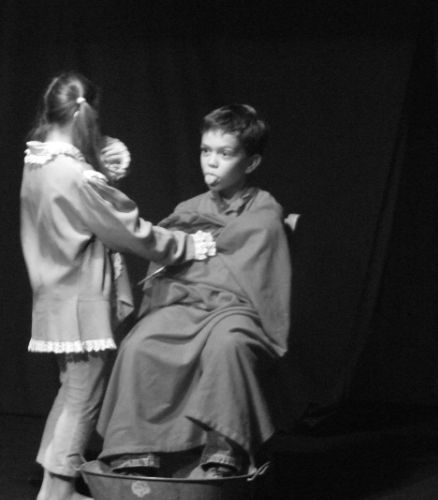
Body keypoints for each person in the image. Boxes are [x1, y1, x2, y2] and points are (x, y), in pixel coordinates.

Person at [20, 71, 215, 500]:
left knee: (73, 390)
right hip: (81, 301)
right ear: (84, 114)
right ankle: (58, 489)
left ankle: (52, 486)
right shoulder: (75, 175)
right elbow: (129, 230)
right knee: (83, 397)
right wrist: (187, 244)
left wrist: (100, 158)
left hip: (55, 295)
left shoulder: (38, 162)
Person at [96, 104, 292, 479]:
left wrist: (200, 263)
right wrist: (196, 265)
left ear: (251, 163)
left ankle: (225, 448)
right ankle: (137, 449)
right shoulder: (189, 209)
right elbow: (168, 270)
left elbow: (255, 277)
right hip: (185, 305)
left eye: (225, 153)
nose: (211, 162)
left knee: (228, 345)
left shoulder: (264, 211)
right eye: (206, 150)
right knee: (141, 343)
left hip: (236, 310)